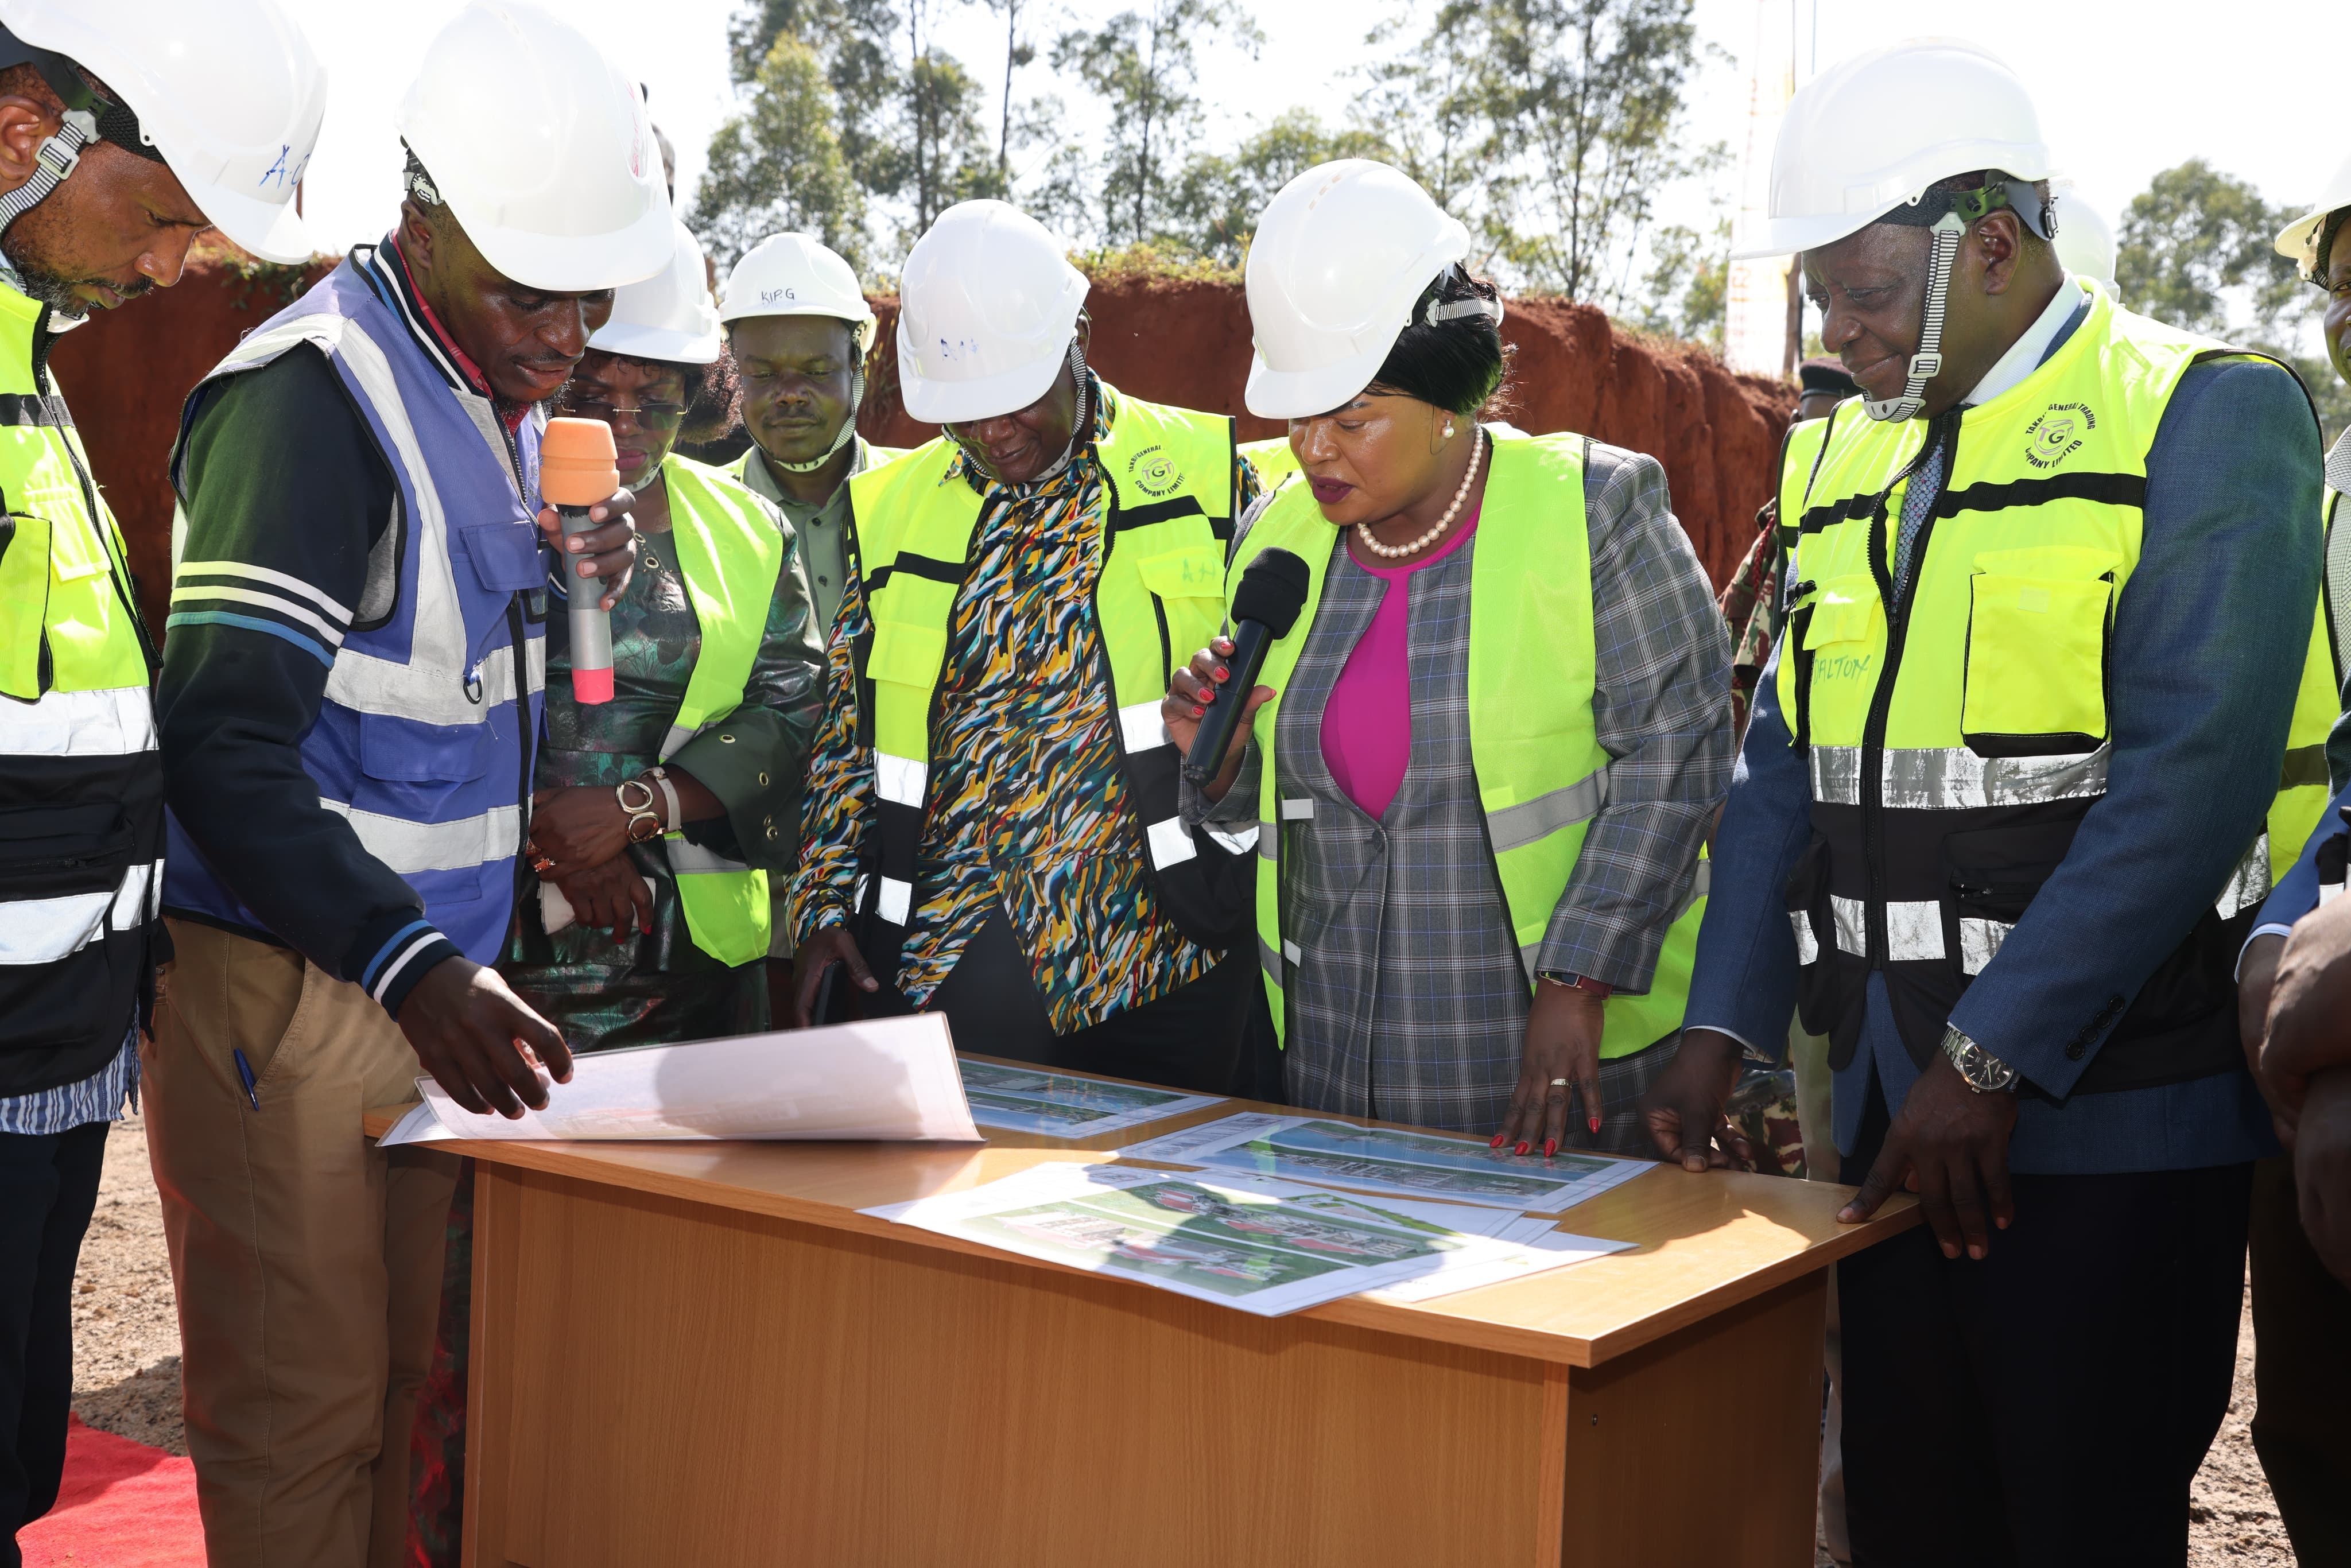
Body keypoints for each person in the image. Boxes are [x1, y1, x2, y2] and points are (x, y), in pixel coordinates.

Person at [1635, 38, 2337, 1563]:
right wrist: (1723, 1020)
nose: (1841, 331)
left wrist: (1997, 1052)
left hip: (2108, 1118)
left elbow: (2190, 781)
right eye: (1824, 295)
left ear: (1997, 247)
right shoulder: (1840, 457)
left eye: (1870, 293)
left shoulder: (2203, 415)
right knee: (1908, 1509)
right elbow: (1781, 764)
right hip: (1895, 1105)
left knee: (2080, 1514)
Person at [146, 5, 665, 1562]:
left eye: (588, 289)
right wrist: (412, 961)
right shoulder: (312, 398)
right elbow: (224, 740)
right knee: (302, 1421)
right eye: (526, 282)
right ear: (419, 215)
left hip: (422, 984)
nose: (565, 328)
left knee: (390, 1393)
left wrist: (572, 580)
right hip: (299, 988)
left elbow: (433, 678)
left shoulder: (476, 394)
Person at [1171, 160, 1728, 1154]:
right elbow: (1281, 799)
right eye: (1299, 418)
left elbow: (1675, 755)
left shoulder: (1595, 509)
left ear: (1448, 395)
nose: (1314, 450)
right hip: (1336, 1056)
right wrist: (1216, 762)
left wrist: (1578, 975)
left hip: (1545, 1053)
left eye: (1353, 418)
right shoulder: (1275, 541)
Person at [0, 3, 322, 1559]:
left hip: (47, 1047)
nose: (179, 264)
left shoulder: (29, 364)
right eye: (168, 215)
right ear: (23, 138)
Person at [786, 199, 1263, 1093]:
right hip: (947, 956)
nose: (993, 434)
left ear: (1078, 336)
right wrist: (818, 904)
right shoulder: (893, 512)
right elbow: (850, 726)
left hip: (1157, 957)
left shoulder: (1211, 481)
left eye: (1016, 402)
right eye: (964, 414)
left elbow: (1276, 720)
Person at [502, 219, 824, 1047]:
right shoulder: (481, 504)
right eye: (589, 397)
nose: (623, 425)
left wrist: (633, 809)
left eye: (655, 401)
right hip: (493, 951)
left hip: (696, 966)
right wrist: (556, 834)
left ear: (699, 394)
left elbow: (791, 712)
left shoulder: (750, 528)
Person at [2222, 156, 2351, 1565]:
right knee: (2308, 1390)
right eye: (2340, 289)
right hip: (2301, 961)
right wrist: (2280, 935)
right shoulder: (2316, 489)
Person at [719, 230, 905, 638]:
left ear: (856, 364)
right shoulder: (707, 509)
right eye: (764, 375)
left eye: (818, 372)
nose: (789, 395)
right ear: (735, 378)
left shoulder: (920, 493)